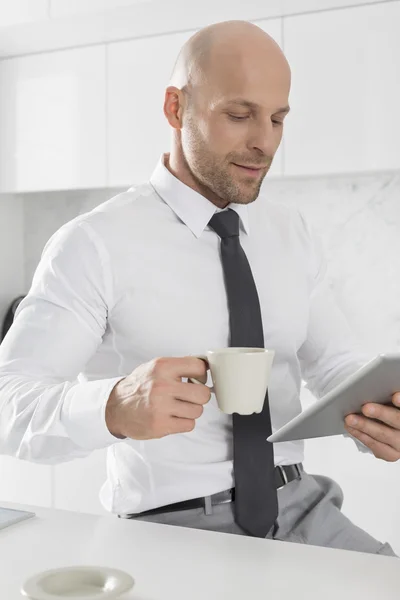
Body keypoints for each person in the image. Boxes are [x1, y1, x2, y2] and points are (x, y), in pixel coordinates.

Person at [0, 20, 399, 556]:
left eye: (278, 119)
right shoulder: (94, 243)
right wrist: (113, 405)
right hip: (170, 528)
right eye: (239, 115)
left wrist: (382, 414)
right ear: (175, 108)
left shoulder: (291, 233)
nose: (264, 141)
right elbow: (10, 403)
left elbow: (337, 364)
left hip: (302, 506)